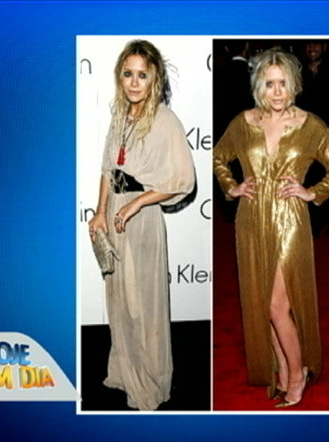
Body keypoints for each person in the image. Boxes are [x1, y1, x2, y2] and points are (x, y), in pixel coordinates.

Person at [213, 48, 329, 408]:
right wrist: (232, 187)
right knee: (260, 303)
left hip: (289, 221)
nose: (278, 91)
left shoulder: (310, 125)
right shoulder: (244, 122)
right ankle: (282, 369)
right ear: (259, 87)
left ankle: (298, 373)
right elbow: (218, 157)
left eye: (283, 82)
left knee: (275, 305)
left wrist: (311, 192)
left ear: (294, 84)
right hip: (250, 220)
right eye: (270, 84)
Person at [88, 40, 195, 411]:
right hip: (115, 214)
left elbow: (182, 181)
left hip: (142, 218)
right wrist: (100, 211)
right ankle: (124, 371)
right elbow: (108, 170)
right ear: (120, 77)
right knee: (119, 300)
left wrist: (137, 202)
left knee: (142, 305)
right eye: (128, 74)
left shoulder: (165, 121)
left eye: (142, 75)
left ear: (154, 79)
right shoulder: (120, 116)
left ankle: (150, 381)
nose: (134, 82)